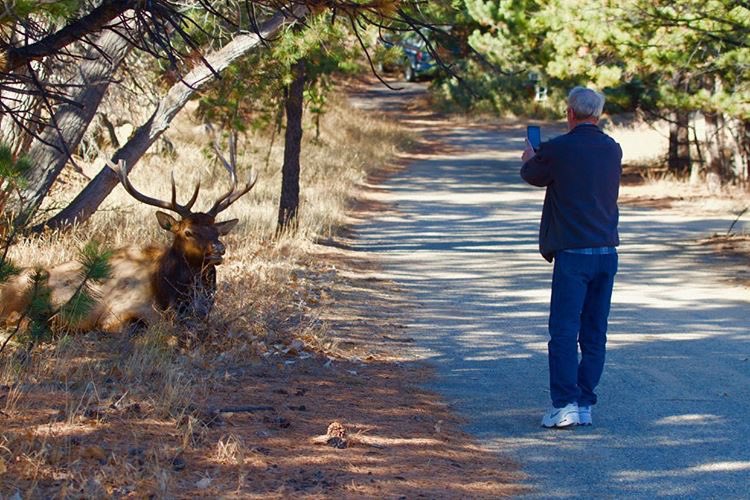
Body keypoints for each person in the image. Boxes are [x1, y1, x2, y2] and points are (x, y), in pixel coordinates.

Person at [520, 86, 622, 428]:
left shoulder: (559, 149)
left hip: (573, 254)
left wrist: (529, 158)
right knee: (594, 332)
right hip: (607, 253)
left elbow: (533, 175)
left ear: (569, 113)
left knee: (564, 331)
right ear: (598, 115)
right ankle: (584, 403)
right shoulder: (613, 149)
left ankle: (564, 404)